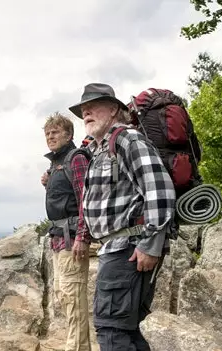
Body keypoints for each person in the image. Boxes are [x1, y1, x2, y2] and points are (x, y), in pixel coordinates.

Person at [68, 83, 176, 350]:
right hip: (117, 249)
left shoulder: (127, 139)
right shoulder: (101, 148)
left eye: (93, 106)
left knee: (111, 330)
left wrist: (150, 244)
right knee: (126, 331)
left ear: (115, 109)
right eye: (83, 110)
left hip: (127, 249)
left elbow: (159, 190)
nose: (86, 113)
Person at [41, 112, 92, 351]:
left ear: (69, 134)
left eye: (55, 132)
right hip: (59, 238)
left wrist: (83, 236)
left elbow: (85, 200)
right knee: (64, 294)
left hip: (72, 238)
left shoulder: (76, 158)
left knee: (73, 299)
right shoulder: (57, 163)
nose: (50, 136)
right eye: (47, 133)